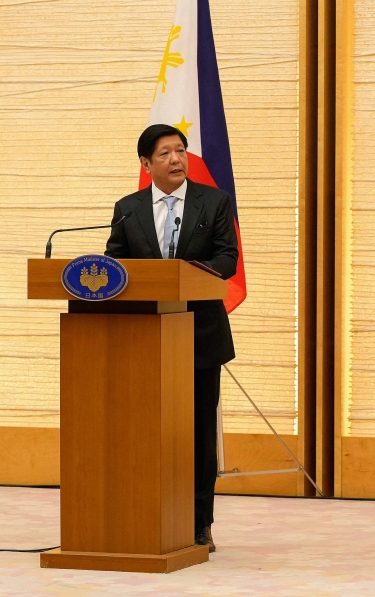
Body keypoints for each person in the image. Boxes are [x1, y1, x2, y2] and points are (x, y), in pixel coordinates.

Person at [105, 123, 239, 553]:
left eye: (180, 151)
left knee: (198, 435)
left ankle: (200, 523)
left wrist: (186, 277)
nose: (176, 159)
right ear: (146, 164)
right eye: (165, 154)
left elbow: (227, 258)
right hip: (144, 339)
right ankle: (145, 514)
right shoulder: (128, 208)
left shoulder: (213, 202)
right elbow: (114, 264)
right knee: (145, 432)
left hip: (199, 335)